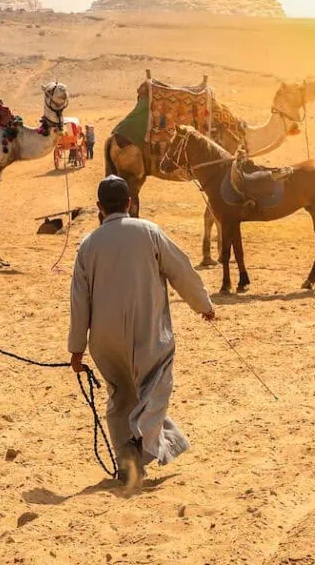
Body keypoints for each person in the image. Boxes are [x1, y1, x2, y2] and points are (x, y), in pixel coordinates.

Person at [68, 175, 216, 493]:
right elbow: (181, 270)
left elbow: (78, 299)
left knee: (121, 396)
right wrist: (202, 304)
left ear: (98, 207)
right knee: (154, 387)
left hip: (104, 339)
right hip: (148, 331)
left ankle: (128, 462)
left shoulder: (88, 244)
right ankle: (138, 444)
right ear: (130, 203)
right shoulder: (148, 231)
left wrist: (76, 349)